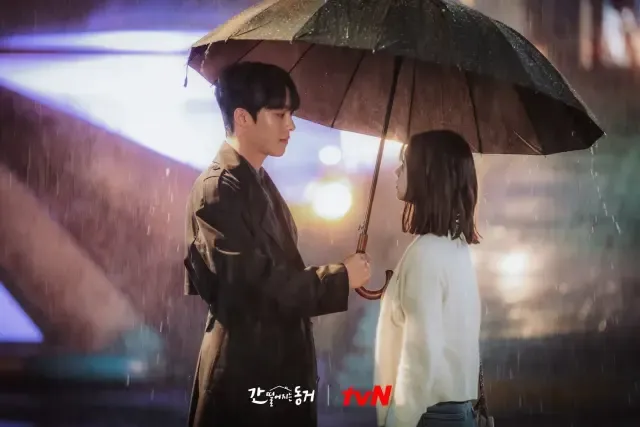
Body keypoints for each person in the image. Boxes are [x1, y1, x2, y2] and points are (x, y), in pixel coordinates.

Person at [183, 61, 371, 427]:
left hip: (272, 371)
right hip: (245, 379)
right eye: (279, 114)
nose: (291, 126)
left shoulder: (256, 181)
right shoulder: (218, 189)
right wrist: (339, 278)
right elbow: (253, 287)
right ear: (243, 117)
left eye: (291, 114)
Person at [374, 130, 482, 427]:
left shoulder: (427, 254)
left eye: (404, 163)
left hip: (428, 414)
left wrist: (397, 422)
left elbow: (420, 355)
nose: (396, 171)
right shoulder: (453, 244)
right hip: (451, 409)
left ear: (428, 173)